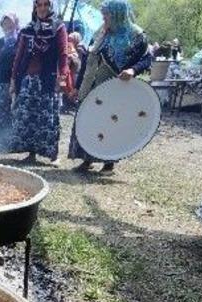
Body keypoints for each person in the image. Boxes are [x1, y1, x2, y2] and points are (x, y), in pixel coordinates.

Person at [68, 0, 152, 173]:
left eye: (107, 14)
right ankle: (86, 159)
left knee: (109, 123)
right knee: (88, 121)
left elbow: (146, 59)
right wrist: (77, 86)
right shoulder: (101, 32)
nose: (104, 18)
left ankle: (108, 163)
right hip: (90, 86)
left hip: (113, 88)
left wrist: (132, 70)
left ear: (118, 14)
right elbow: (88, 59)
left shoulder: (136, 35)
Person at [10, 0, 72, 163]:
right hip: (29, 81)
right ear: (35, 7)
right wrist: (14, 79)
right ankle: (31, 153)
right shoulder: (27, 29)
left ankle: (52, 154)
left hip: (48, 80)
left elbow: (63, 55)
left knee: (47, 119)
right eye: (39, 5)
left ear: (51, 7)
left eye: (46, 4)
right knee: (28, 118)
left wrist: (63, 76)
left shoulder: (58, 28)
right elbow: (18, 57)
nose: (42, 8)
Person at [0, 13, 20, 150]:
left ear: (16, 24)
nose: (7, 26)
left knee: (11, 111)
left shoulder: (20, 40)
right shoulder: (1, 42)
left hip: (14, 82)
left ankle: (10, 141)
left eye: (10, 23)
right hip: (0, 81)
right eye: (5, 23)